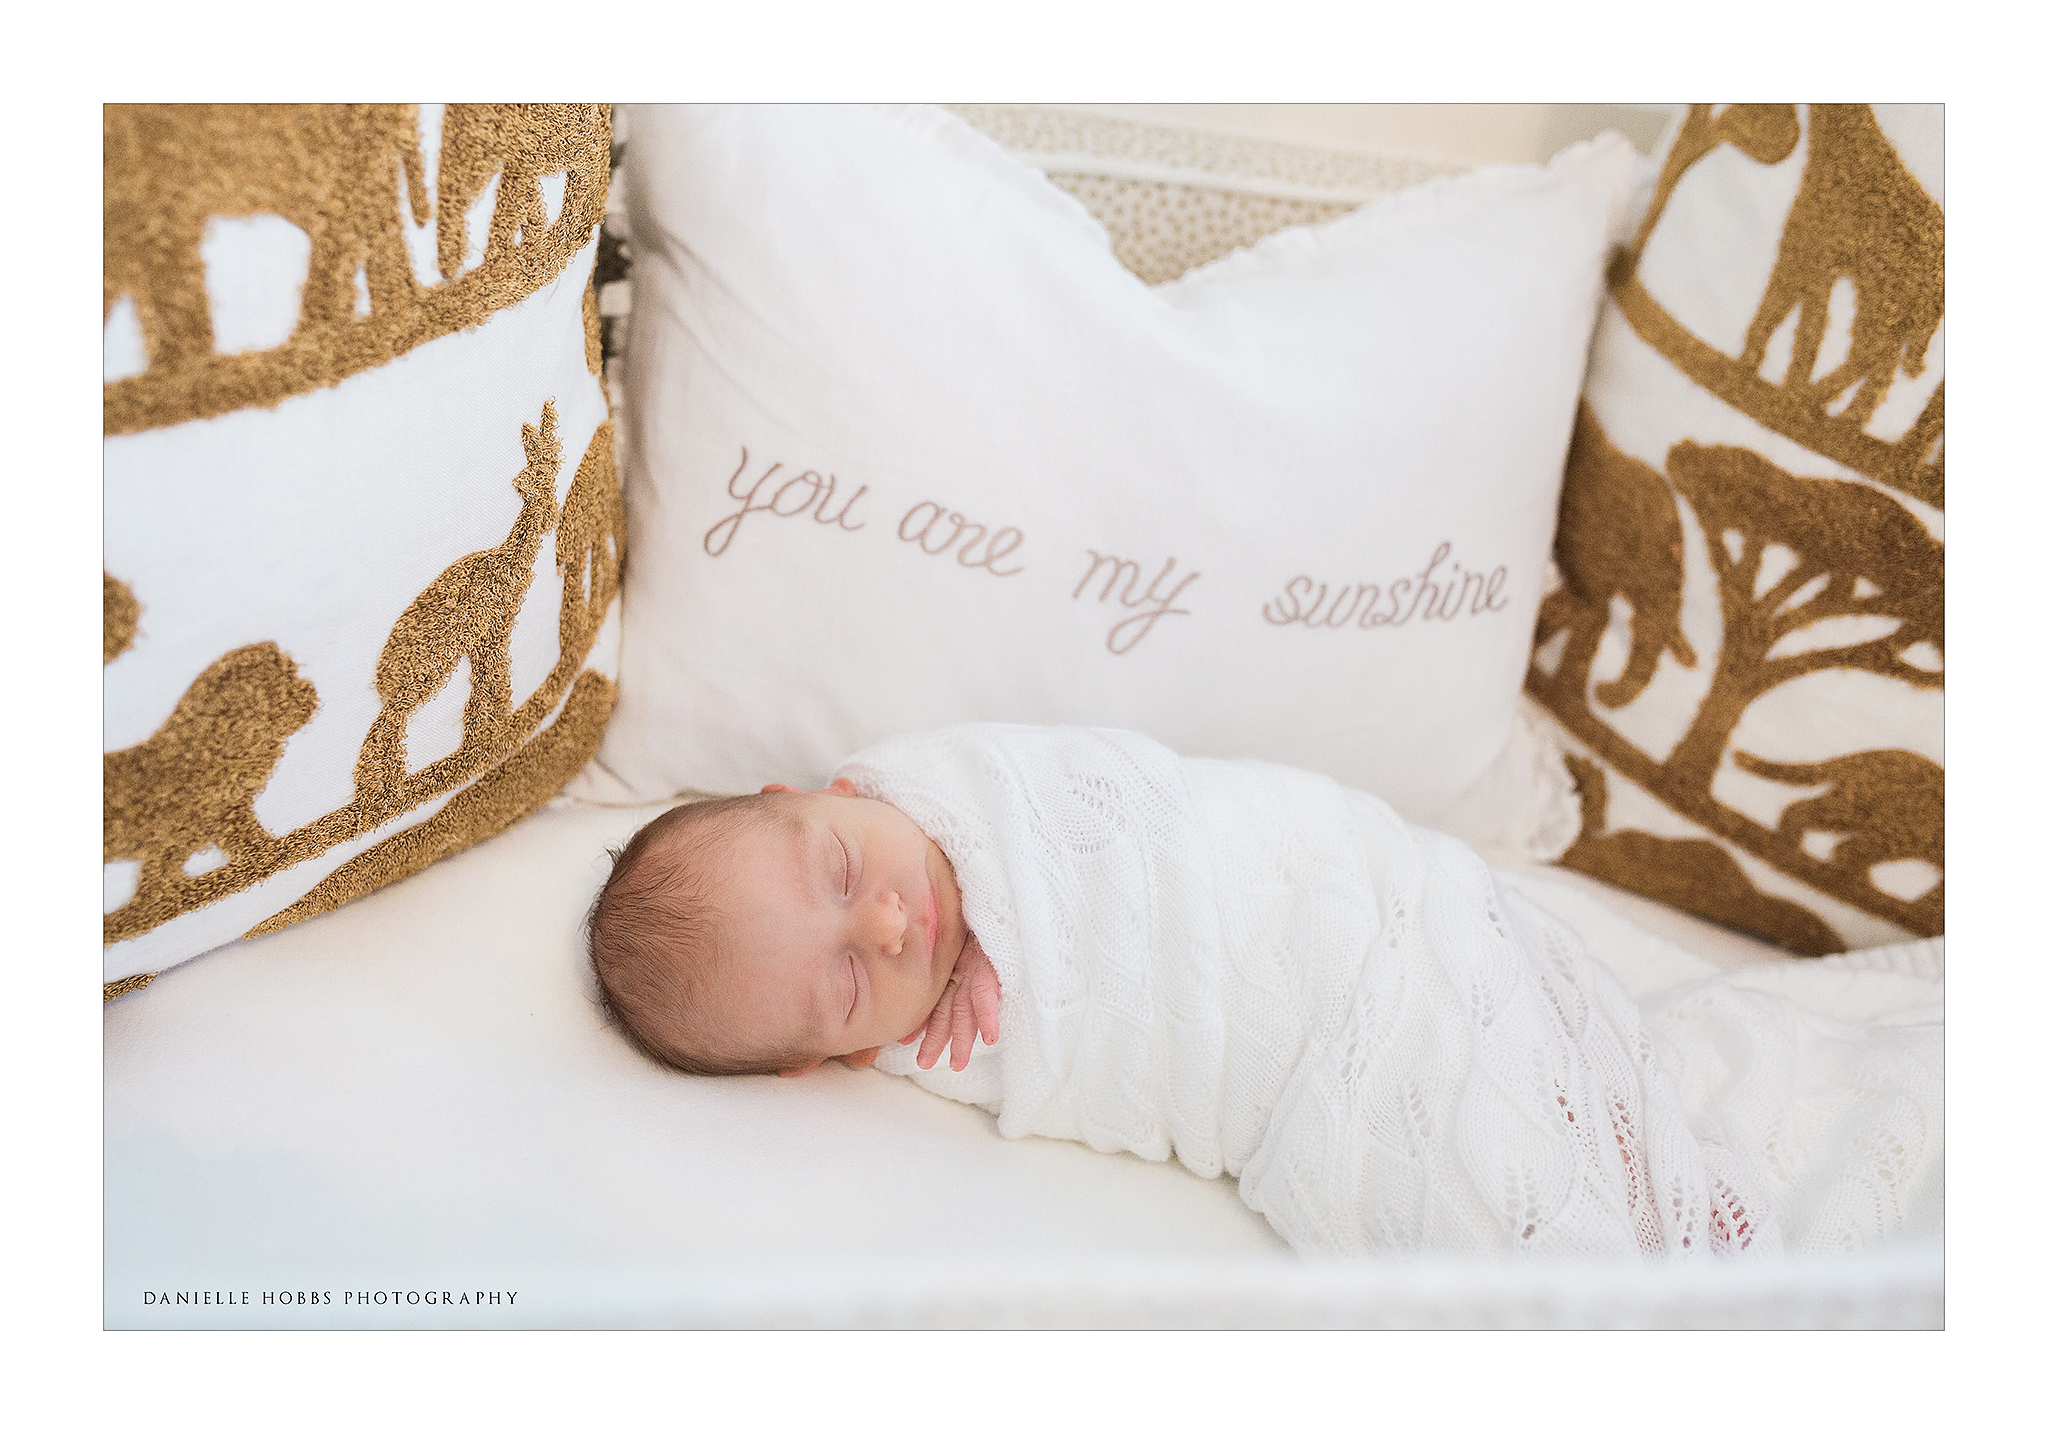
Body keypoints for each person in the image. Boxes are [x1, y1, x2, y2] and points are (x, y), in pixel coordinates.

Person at [587, 777, 1001, 1080]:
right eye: (852, 986)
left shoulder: (935, 777)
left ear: (829, 795)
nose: (889, 923)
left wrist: (1001, 936)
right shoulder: (940, 1060)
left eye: (844, 870)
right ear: (853, 1052)